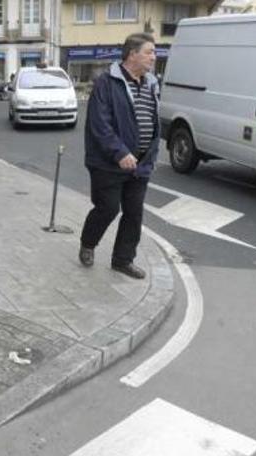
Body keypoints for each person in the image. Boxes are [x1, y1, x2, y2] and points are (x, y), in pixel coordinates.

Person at [78, 33, 159, 279]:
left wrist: (151, 153)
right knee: (108, 208)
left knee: (134, 213)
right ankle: (88, 243)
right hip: (108, 163)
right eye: (149, 52)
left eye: (154, 53)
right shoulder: (107, 82)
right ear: (132, 54)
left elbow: (152, 121)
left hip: (141, 164)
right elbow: (99, 124)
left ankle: (123, 260)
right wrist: (120, 152)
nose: (153, 57)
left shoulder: (151, 83)